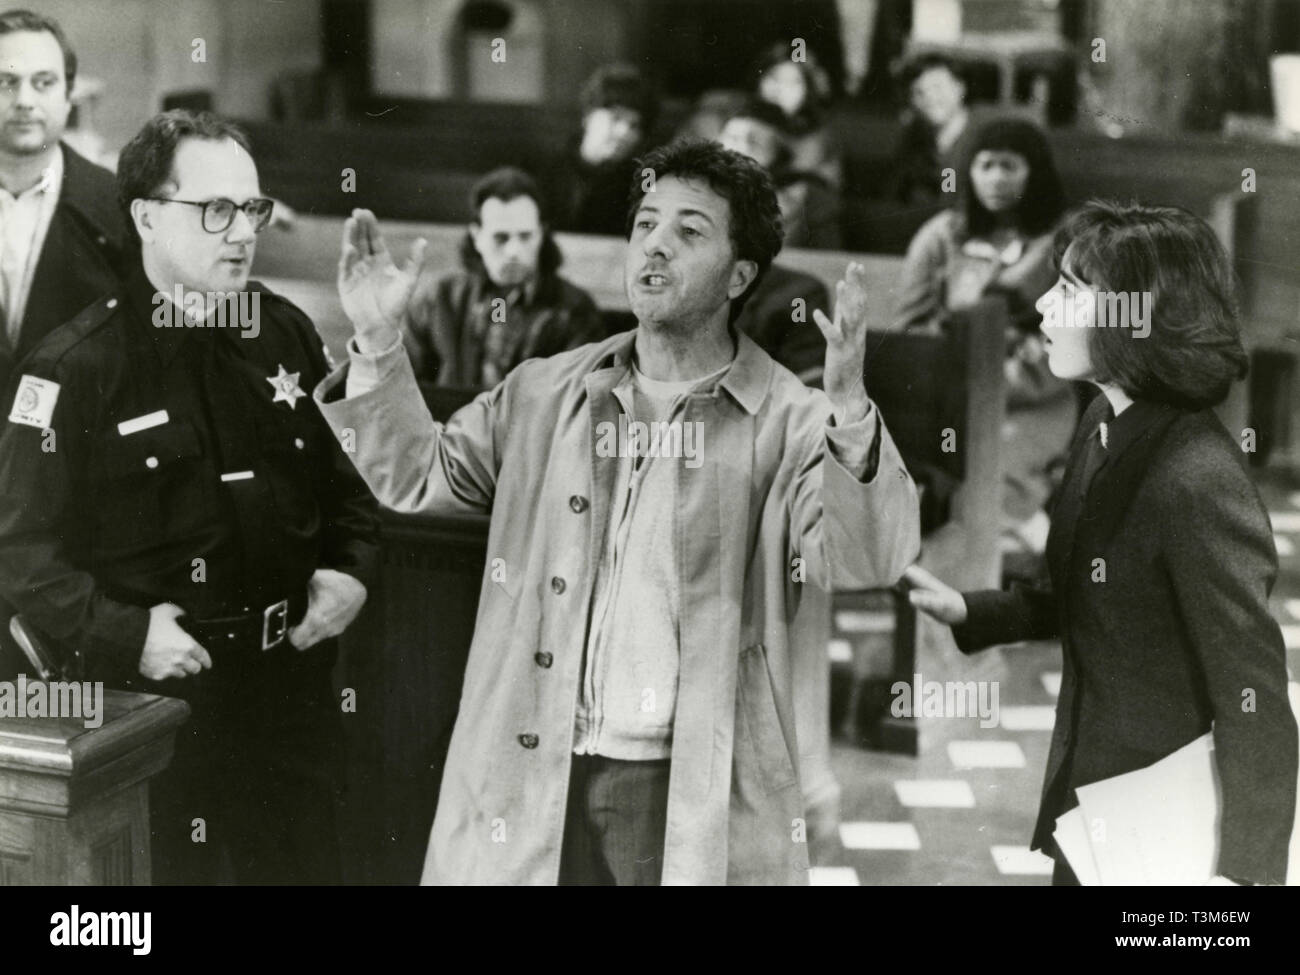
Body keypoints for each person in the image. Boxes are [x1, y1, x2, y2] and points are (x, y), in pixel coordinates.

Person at [315, 139, 921, 885]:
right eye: (645, 224)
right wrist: (378, 344)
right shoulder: (546, 390)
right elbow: (417, 476)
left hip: (673, 786)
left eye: (689, 231)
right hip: (529, 761)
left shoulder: (789, 419)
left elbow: (864, 561)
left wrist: (852, 413)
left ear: (740, 274)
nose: (653, 246)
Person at [0, 110, 381, 884]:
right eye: (214, 210)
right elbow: (20, 551)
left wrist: (351, 573)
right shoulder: (75, 368)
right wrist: (125, 633)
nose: (242, 231)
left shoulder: (284, 334)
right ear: (145, 215)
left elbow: (351, 491)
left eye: (252, 208)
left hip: (290, 694)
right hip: (157, 715)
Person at [906, 200, 1298, 886]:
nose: (1045, 309)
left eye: (1070, 291)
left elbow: (1255, 698)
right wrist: (972, 611)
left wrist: (1241, 878)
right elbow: (1081, 593)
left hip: (1172, 834)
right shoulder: (1101, 422)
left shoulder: (1197, 479)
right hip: (1095, 813)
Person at [0, 9, 129, 680]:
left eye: (42, 81)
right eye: (5, 81)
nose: (24, 99)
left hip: (77, 531)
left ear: (68, 92)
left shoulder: (119, 210)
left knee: (67, 743)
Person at [893, 117, 1076, 561]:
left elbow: (1075, 336)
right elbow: (909, 330)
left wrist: (1007, 374)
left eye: (1009, 166)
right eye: (985, 165)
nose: (995, 178)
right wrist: (953, 374)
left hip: (1034, 397)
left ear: (1034, 173)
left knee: (994, 466)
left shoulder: (1065, 241)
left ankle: (1029, 550)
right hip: (947, 393)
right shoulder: (941, 236)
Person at [402, 167, 602, 388]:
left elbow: (578, 398)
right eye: (501, 237)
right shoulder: (438, 300)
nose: (514, 250)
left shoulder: (574, 310)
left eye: (525, 236)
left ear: (542, 234)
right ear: (477, 236)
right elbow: (405, 387)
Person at [549, 63, 659, 236]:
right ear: (588, 116)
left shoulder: (641, 183)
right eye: (616, 118)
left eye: (634, 125)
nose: (624, 133)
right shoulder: (545, 169)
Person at [718, 98, 842, 251]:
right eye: (733, 138)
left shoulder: (805, 194)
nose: (740, 149)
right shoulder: (702, 185)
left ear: (778, 152)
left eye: (754, 142)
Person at [889, 53, 979, 206]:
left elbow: (949, 190)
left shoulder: (981, 135)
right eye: (919, 92)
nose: (929, 97)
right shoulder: (915, 136)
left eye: (937, 87)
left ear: (960, 88)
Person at [752, 41, 842, 191]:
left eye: (794, 82)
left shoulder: (816, 139)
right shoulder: (737, 119)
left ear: (808, 91)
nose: (781, 90)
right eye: (774, 78)